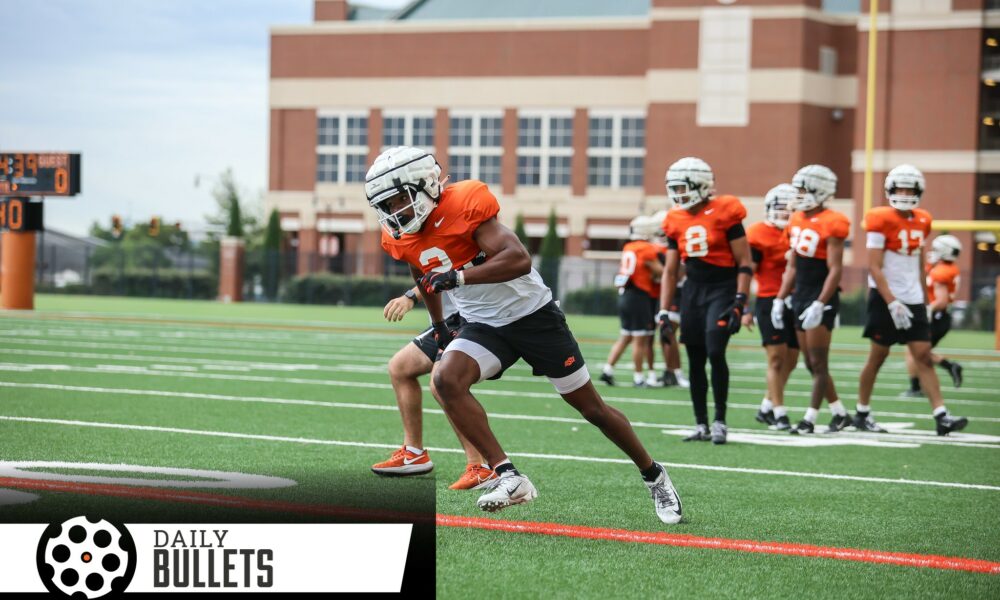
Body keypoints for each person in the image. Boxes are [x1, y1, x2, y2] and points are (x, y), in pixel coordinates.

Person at [367, 145, 682, 523]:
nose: (394, 211)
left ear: (425, 185)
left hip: (533, 317)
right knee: (446, 379)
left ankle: (653, 474)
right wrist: (438, 326)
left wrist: (459, 277)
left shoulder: (464, 206)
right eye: (386, 204)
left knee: (592, 409)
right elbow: (422, 273)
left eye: (400, 199)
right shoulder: (401, 236)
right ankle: (508, 475)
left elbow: (518, 260)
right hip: (483, 325)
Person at [856, 165, 968, 435]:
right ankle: (861, 412)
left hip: (913, 298)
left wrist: (925, 302)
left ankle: (941, 416)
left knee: (923, 356)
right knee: (878, 356)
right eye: (900, 189)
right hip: (885, 298)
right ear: (890, 190)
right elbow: (874, 266)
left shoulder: (923, 220)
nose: (905, 194)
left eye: (910, 190)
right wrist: (891, 301)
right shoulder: (879, 218)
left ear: (918, 192)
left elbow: (918, 262)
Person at [657, 157, 752, 445]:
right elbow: (670, 271)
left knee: (715, 350)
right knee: (695, 358)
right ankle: (701, 424)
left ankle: (720, 420)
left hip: (722, 288)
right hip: (693, 291)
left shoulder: (726, 210)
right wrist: (663, 311)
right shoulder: (674, 219)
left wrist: (740, 300)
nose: (678, 194)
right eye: (674, 188)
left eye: (682, 187)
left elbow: (745, 262)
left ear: (700, 185)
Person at [371, 286, 497, 490]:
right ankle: (413, 453)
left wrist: (410, 297)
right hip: (448, 322)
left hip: (469, 319)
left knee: (442, 385)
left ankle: (480, 466)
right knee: (400, 367)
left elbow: (443, 273)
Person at [774, 165, 852, 435]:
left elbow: (835, 269)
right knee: (809, 362)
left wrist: (820, 302)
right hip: (800, 295)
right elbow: (793, 266)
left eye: (802, 189)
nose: (798, 194)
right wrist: (780, 298)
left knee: (819, 363)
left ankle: (809, 419)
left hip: (820, 295)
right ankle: (840, 414)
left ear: (820, 190)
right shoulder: (796, 219)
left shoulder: (834, 221)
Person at [744, 184, 799, 431]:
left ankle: (766, 406)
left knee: (792, 359)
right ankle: (779, 413)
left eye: (790, 208)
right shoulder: (758, 233)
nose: (785, 212)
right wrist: (745, 306)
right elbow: (748, 272)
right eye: (780, 207)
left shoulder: (801, 230)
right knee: (776, 358)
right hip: (769, 299)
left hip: (796, 300)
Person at [600, 215, 665, 388]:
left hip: (625, 294)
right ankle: (638, 378)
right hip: (638, 296)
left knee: (626, 336)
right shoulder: (646, 248)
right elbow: (662, 272)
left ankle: (607, 370)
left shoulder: (628, 246)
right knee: (639, 339)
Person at [901, 234, 964, 397]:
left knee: (915, 351)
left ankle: (917, 387)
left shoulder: (941, 271)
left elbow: (941, 301)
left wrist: (926, 310)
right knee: (916, 351)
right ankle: (945, 369)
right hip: (940, 317)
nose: (933, 251)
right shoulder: (947, 268)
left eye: (936, 249)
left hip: (935, 317)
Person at [650, 210, 690, 389]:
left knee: (669, 333)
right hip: (665, 293)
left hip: (677, 293)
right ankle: (670, 371)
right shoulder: (660, 247)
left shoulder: (676, 245)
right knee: (664, 335)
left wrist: (658, 268)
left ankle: (677, 372)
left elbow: (678, 273)